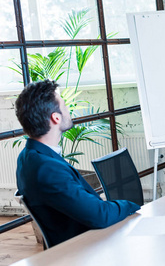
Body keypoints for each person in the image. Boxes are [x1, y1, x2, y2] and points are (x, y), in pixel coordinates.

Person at [15, 79, 140, 248]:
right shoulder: (47, 168)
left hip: (83, 241)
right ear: (56, 118)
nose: (69, 111)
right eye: (65, 106)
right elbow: (99, 215)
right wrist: (132, 205)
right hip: (84, 248)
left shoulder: (28, 156)